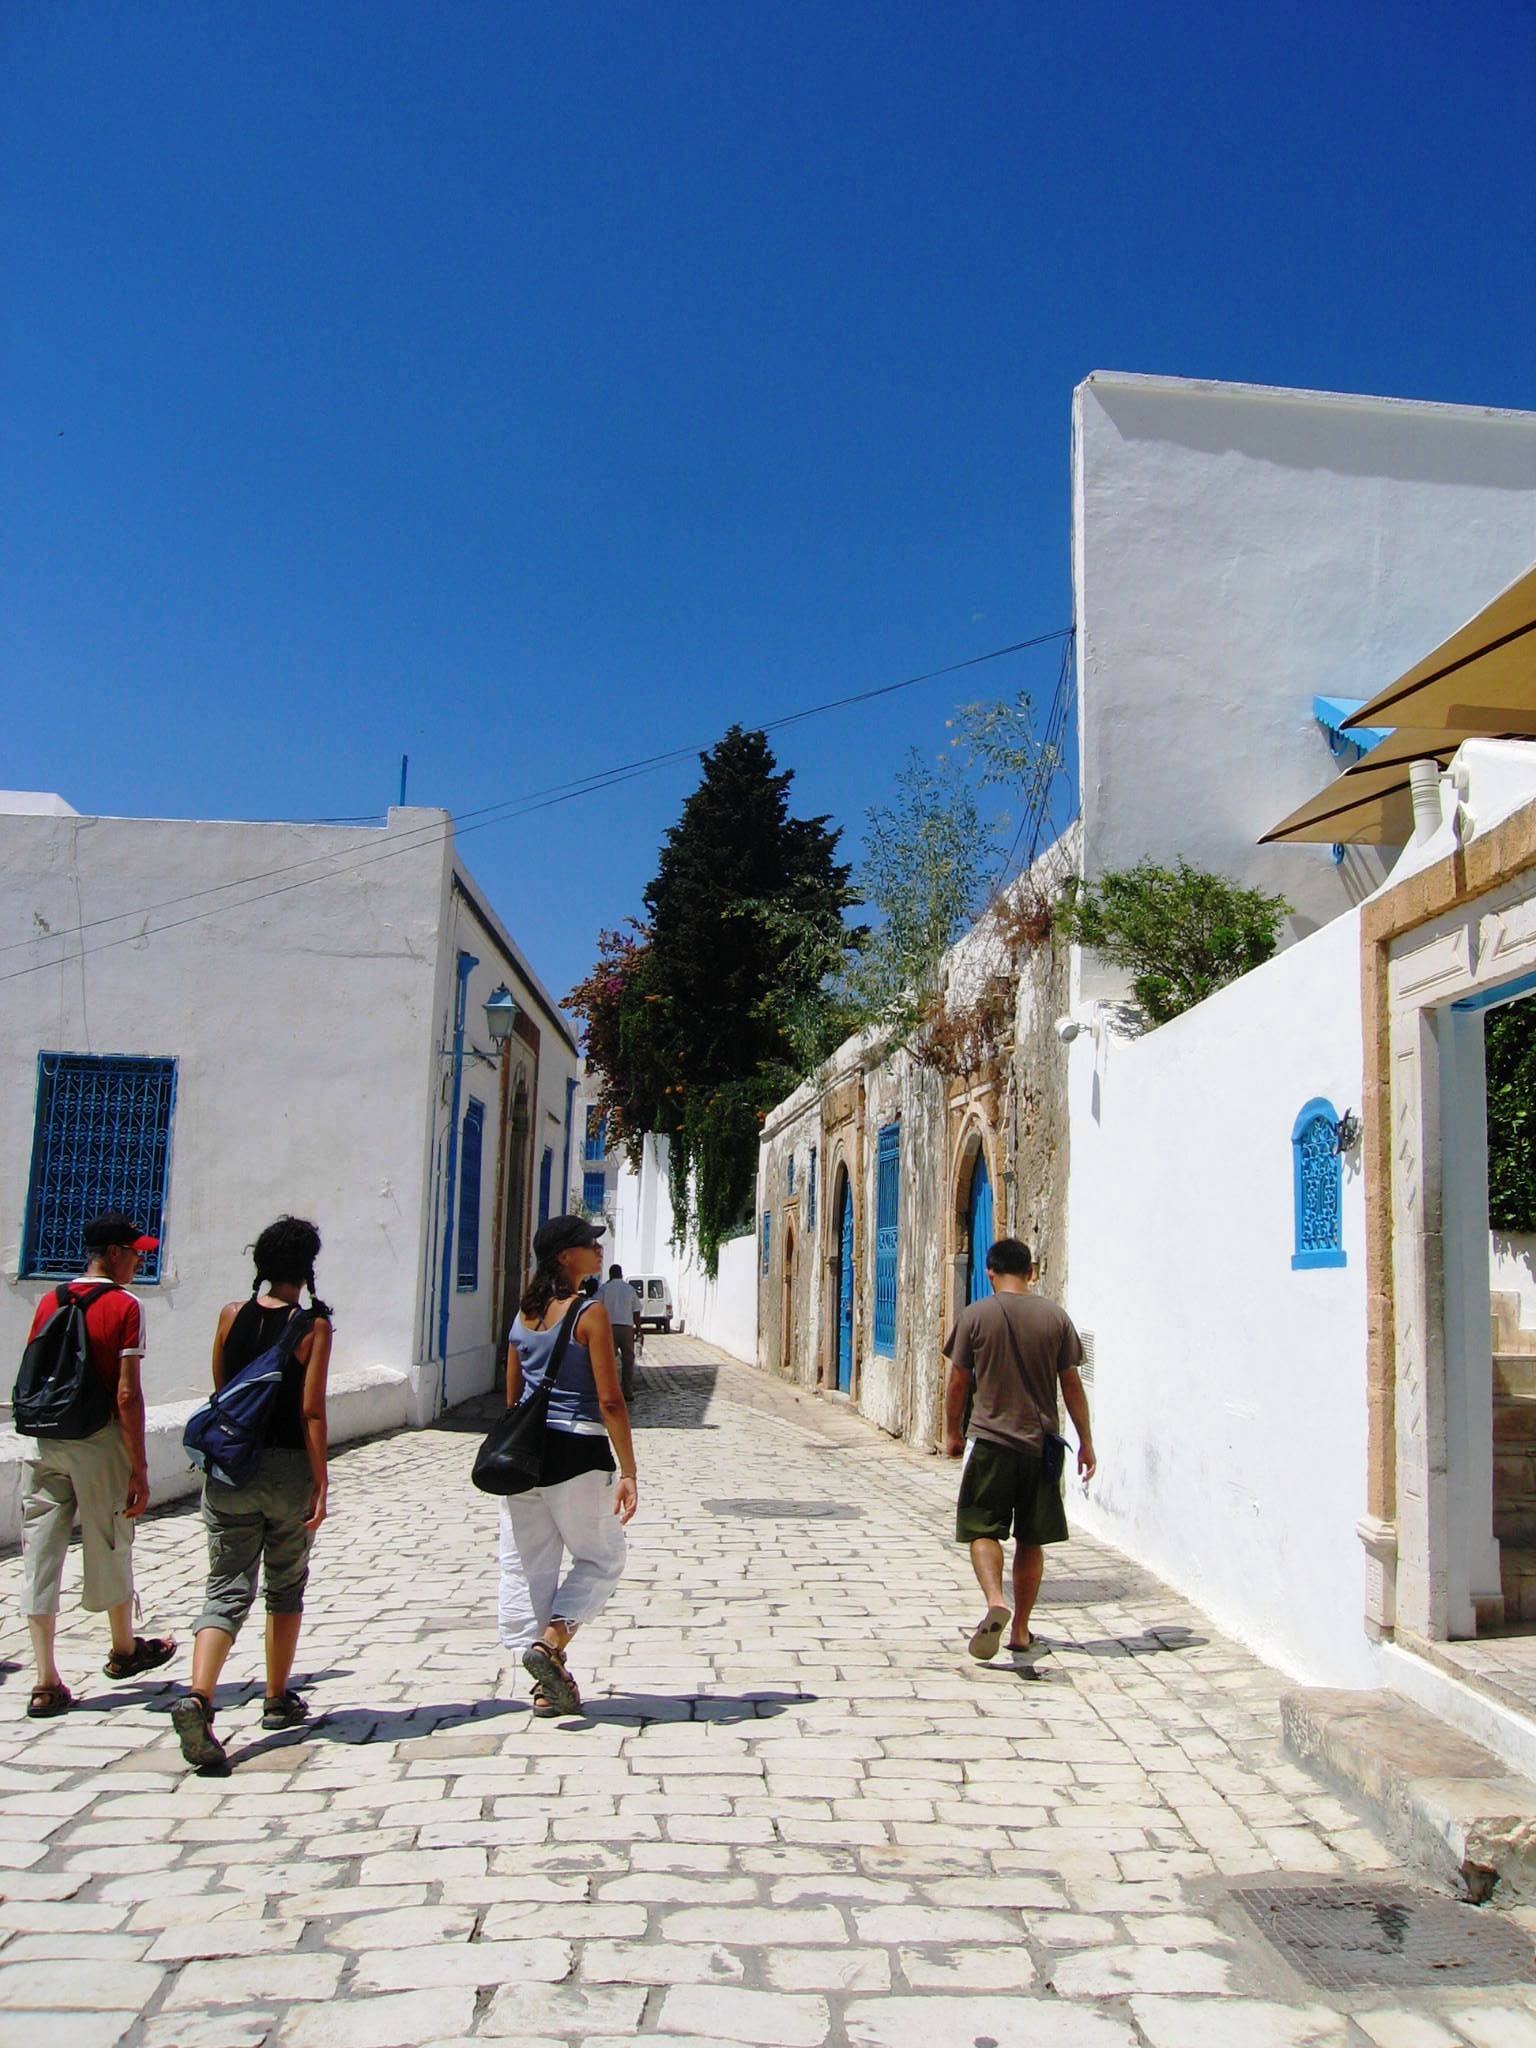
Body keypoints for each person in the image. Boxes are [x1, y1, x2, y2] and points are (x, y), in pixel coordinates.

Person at [171, 1217, 332, 1774]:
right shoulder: (312, 1326)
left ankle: (198, 1696)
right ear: (306, 1267)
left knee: (225, 1587)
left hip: (230, 1472)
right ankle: (276, 1697)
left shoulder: (229, 1316)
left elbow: (222, 1391)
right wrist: (322, 1480)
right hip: (287, 1470)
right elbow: (311, 1410)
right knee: (285, 1585)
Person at [19, 1214, 175, 1717]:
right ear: (111, 1253)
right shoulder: (124, 1305)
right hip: (98, 1437)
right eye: (134, 1251)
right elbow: (127, 1393)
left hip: (46, 1440)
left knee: (40, 1554)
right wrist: (139, 1466)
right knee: (110, 1538)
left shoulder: (49, 1299)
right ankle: (123, 1649)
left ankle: (45, 1680)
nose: (139, 1259)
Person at [499, 1214, 638, 1718]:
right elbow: (610, 1401)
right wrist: (629, 1471)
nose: (598, 1252)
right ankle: (552, 1645)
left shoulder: (523, 1315)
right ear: (564, 1256)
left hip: (527, 1457)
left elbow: (513, 1398)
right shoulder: (589, 1313)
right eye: (588, 1245)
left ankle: (542, 1685)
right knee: (603, 1558)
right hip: (578, 1452)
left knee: (527, 1568)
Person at [943, 1236, 1096, 1662]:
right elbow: (1071, 1385)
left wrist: (953, 1433)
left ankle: (996, 1599)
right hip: (1041, 1446)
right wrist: (1085, 1442)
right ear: (1031, 1271)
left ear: (990, 1272)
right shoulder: (1055, 1318)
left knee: (981, 1528)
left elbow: (958, 1383)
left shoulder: (975, 1317)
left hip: (991, 1443)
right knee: (1032, 1539)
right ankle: (1022, 1630)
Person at [596, 1262, 639, 1399]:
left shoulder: (604, 1289)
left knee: (609, 1361)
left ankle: (610, 1391)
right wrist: (639, 1330)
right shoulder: (629, 1289)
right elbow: (636, 1311)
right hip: (627, 1328)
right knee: (628, 1361)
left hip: (609, 1328)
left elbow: (595, 1304)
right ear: (621, 1274)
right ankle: (627, 1391)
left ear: (610, 1274)